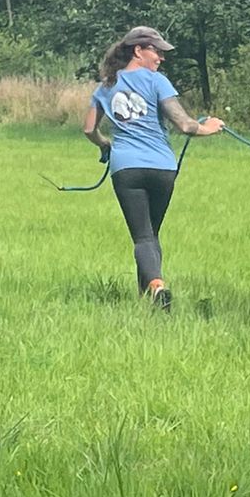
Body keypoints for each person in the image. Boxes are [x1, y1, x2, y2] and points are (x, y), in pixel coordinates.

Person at [84, 26, 223, 309]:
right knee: (150, 234)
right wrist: (210, 127)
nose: (161, 58)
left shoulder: (105, 87)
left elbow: (88, 129)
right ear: (138, 51)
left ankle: (156, 287)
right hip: (162, 168)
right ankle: (148, 296)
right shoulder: (157, 82)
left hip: (126, 170)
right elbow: (185, 125)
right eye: (157, 51)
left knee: (143, 236)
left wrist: (104, 144)